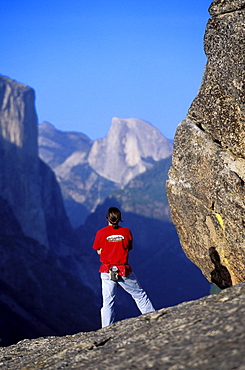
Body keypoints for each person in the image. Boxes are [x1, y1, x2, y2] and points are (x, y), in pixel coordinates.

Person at [92, 206, 155, 328]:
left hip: (107, 271)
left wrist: (106, 250)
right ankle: (153, 318)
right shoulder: (126, 232)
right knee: (139, 295)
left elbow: (98, 250)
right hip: (123, 270)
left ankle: (106, 328)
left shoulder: (101, 233)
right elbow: (128, 248)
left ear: (107, 218)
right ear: (120, 218)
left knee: (108, 302)